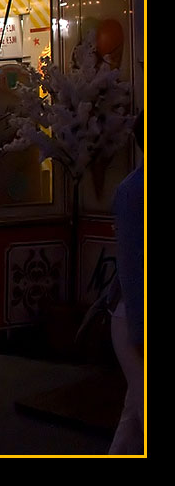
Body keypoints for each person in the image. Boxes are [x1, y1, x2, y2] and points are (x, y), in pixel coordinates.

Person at [109, 110, 144, 454]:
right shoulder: (134, 191)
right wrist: (139, 333)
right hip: (136, 316)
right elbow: (132, 269)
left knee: (135, 417)